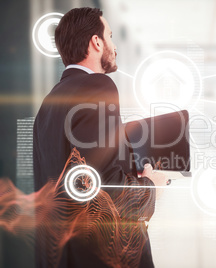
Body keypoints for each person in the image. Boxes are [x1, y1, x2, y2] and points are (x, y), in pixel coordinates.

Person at [33, 7, 165, 268]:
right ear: (96, 42)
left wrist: (127, 171)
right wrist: (151, 187)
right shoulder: (97, 86)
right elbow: (103, 188)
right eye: (111, 36)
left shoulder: (49, 104)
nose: (114, 47)